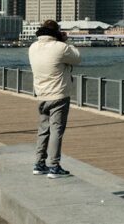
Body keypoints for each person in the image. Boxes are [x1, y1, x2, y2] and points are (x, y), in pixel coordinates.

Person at [29, 20, 81, 179]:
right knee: (56, 130)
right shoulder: (61, 47)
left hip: (41, 94)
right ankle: (54, 166)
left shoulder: (32, 47)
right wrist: (66, 41)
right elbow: (77, 58)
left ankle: (39, 163)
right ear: (56, 32)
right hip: (59, 95)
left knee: (43, 129)